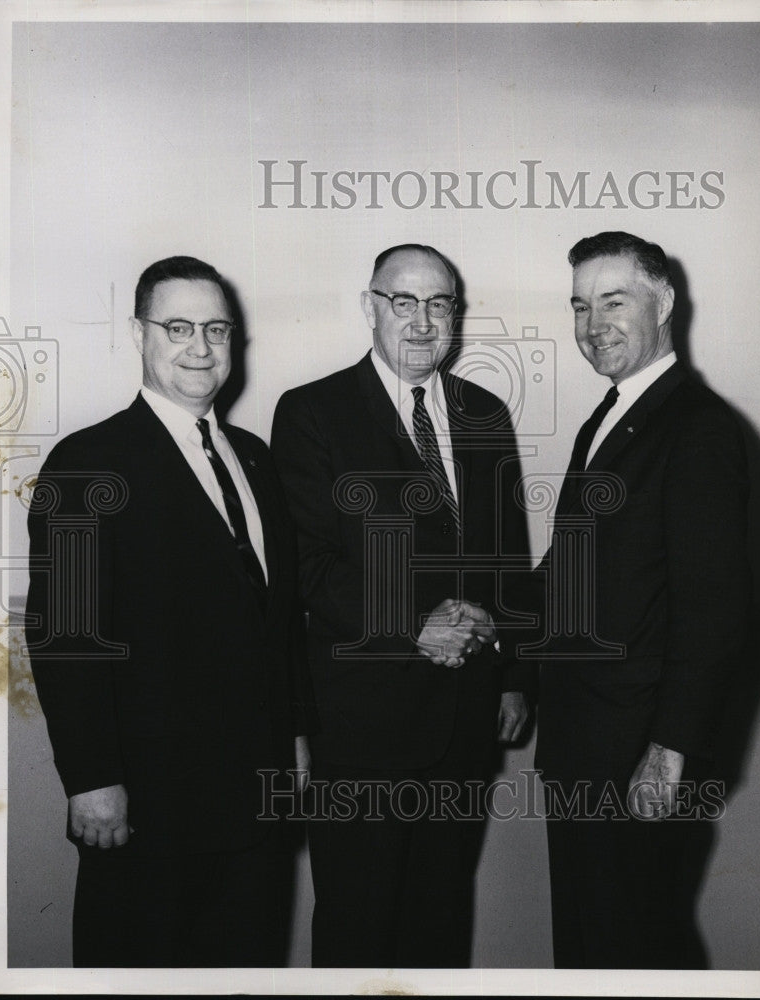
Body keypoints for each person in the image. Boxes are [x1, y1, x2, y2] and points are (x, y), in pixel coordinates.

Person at [25, 255, 316, 967]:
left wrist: (299, 741)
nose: (200, 348)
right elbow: (65, 636)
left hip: (254, 800)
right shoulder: (87, 461)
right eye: (178, 327)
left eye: (217, 329)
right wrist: (91, 780)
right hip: (146, 806)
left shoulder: (253, 458)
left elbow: (279, 622)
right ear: (138, 331)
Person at [271, 243, 533, 968]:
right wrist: (411, 622)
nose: (421, 322)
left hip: (464, 721)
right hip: (361, 725)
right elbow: (306, 566)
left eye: (438, 303)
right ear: (370, 307)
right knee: (357, 925)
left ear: (455, 314)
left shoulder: (483, 413)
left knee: (439, 924)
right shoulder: (311, 412)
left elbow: (505, 556)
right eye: (403, 302)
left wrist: (512, 675)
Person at [532, 231, 751, 969]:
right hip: (585, 747)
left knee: (631, 955)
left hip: (638, 761)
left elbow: (714, 611)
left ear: (662, 301)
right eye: (579, 305)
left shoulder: (698, 428)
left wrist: (668, 752)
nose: (593, 323)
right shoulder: (610, 415)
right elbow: (573, 571)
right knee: (595, 951)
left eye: (612, 300)